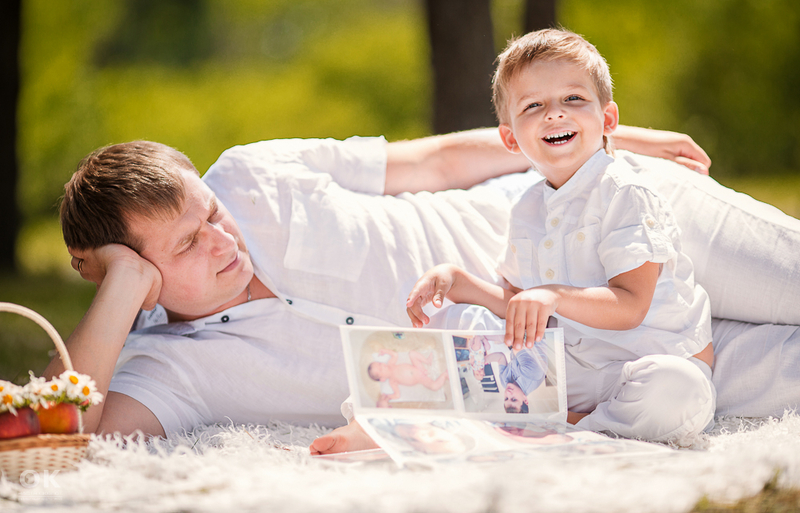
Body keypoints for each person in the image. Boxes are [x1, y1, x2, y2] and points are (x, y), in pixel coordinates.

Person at [48, 124, 709, 439]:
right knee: (723, 382)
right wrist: (122, 285)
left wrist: (603, 145)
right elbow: (53, 435)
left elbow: (434, 162)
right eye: (187, 244)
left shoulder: (252, 175)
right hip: (573, 363)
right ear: (130, 273)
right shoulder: (169, 369)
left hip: (575, 216)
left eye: (211, 215)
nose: (223, 241)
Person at [406, 29, 714, 444]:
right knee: (454, 321)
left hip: (645, 364)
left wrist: (553, 295)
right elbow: (524, 308)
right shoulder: (528, 208)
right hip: (574, 368)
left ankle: (562, 424)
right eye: (533, 105)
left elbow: (630, 306)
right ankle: (561, 419)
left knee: (677, 389)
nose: (554, 114)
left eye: (573, 98)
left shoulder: (624, 192)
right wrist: (460, 283)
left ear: (607, 120)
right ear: (511, 138)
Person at [367, 349, 449, 400]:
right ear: (382, 379)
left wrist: (385, 351)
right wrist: (388, 396)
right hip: (421, 379)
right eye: (380, 369)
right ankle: (445, 375)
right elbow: (397, 395)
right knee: (434, 387)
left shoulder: (390, 363)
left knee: (411, 353)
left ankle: (427, 361)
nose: (382, 365)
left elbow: (395, 354)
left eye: (379, 363)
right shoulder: (392, 382)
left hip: (418, 367)